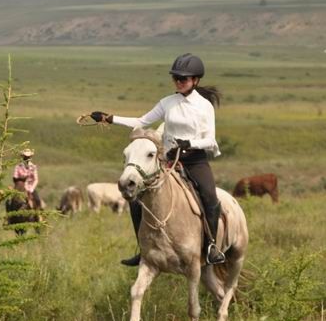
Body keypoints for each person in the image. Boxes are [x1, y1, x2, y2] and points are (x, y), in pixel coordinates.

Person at [90, 53, 226, 266]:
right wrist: (109, 118)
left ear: (195, 80)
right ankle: (142, 248)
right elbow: (141, 121)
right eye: (176, 78)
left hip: (195, 160)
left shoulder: (204, 106)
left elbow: (209, 139)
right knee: (136, 199)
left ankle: (211, 246)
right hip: (169, 161)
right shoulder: (167, 102)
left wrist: (188, 144)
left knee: (209, 196)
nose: (178, 82)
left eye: (183, 79)